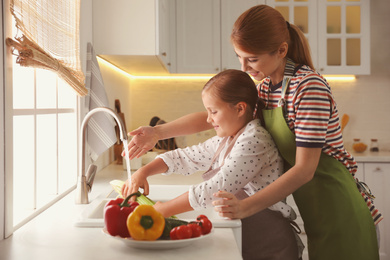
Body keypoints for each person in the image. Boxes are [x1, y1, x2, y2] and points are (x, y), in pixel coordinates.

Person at [124, 5, 382, 260]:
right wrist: (157, 132)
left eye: (253, 59)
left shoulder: (308, 88)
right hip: (315, 210)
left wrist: (244, 206)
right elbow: (214, 115)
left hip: (340, 209)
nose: (245, 67)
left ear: (281, 50)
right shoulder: (268, 88)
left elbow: (305, 169)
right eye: (240, 57)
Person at [122, 69, 300, 260]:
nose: (208, 119)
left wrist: (164, 210)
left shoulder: (254, 140)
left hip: (272, 245)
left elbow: (214, 188)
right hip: (251, 241)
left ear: (240, 109)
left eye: (213, 111)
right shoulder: (229, 139)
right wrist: (144, 171)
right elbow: (185, 157)